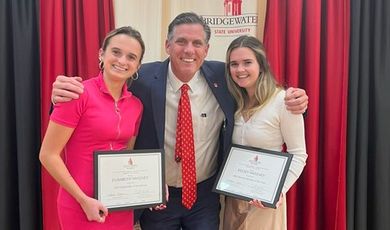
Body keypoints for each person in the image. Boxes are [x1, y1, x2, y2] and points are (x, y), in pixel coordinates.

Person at [50, 12, 308, 230]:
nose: (189, 50)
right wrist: (61, 94)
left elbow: (257, 91)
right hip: (158, 198)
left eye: (197, 43)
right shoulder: (143, 77)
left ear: (207, 49)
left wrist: (294, 100)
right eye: (181, 41)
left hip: (205, 196)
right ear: (167, 45)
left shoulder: (225, 75)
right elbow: (108, 84)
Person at [39, 26, 145, 229]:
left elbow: (127, 156)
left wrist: (150, 187)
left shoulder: (136, 106)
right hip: (80, 204)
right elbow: (48, 155)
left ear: (138, 65)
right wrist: (83, 199)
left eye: (131, 57)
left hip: (119, 204)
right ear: (101, 53)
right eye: (116, 52)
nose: (122, 61)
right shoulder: (77, 94)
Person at [222, 35, 308, 230]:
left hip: (265, 200)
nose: (240, 69)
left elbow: (299, 154)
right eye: (234, 64)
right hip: (233, 198)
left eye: (247, 62)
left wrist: (278, 191)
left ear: (261, 65)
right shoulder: (232, 102)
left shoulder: (284, 101)